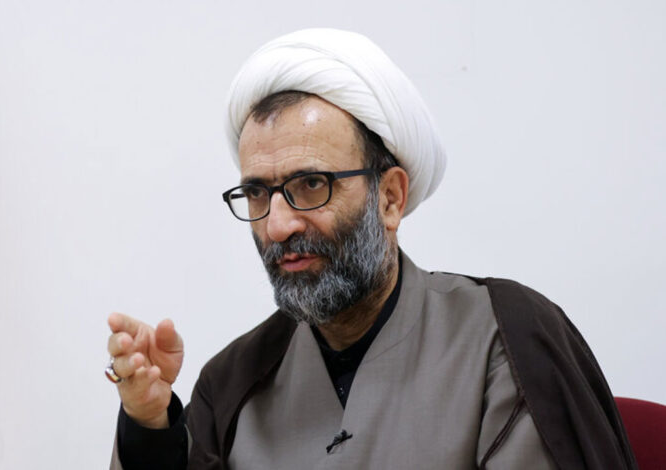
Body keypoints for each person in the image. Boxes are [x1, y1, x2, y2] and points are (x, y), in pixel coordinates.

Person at [105, 29, 636, 469]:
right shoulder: (232, 381)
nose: (278, 225)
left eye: (311, 184)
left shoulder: (506, 338)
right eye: (258, 193)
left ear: (390, 198)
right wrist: (150, 429)